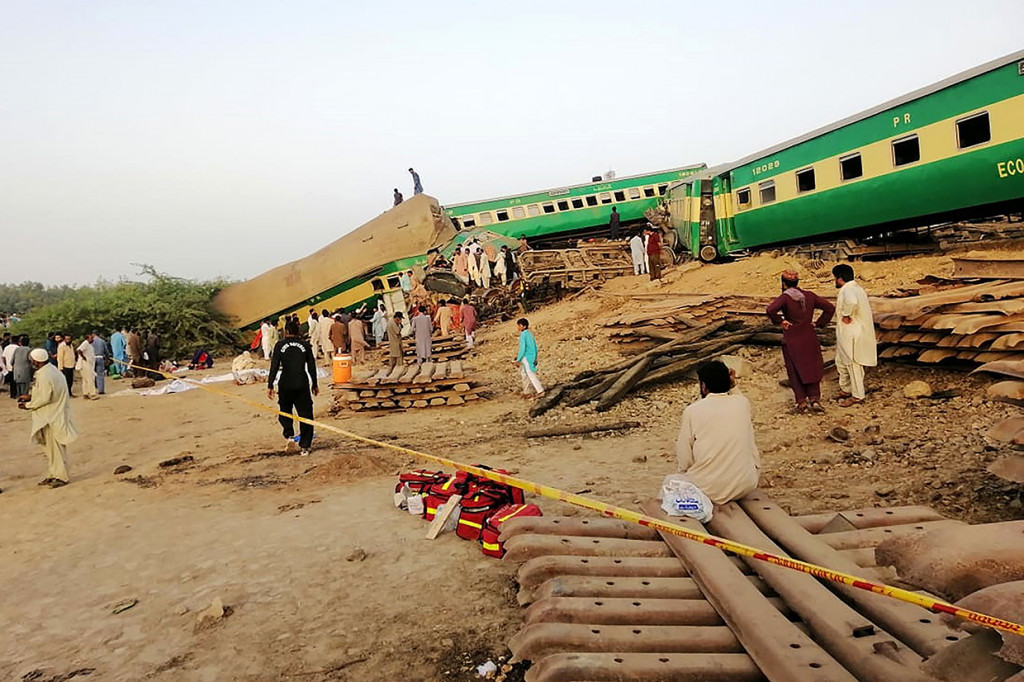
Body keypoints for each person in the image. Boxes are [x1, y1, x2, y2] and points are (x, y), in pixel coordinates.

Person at [672, 360, 761, 506]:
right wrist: (731, 383)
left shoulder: (693, 411)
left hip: (708, 489)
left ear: (704, 386)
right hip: (745, 484)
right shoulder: (742, 403)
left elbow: (684, 457)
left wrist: (687, 474)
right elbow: (737, 395)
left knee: (672, 482)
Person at [766, 270, 836, 413]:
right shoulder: (809, 296)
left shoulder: (785, 297)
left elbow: (770, 310)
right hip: (809, 336)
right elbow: (830, 307)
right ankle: (815, 399)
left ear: (784, 283)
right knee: (812, 367)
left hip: (792, 338)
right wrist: (819, 323)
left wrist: (781, 321)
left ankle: (801, 402)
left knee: (794, 369)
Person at [18, 348, 78, 488]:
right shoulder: (51, 370)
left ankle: (61, 476)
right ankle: (53, 474)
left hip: (51, 416)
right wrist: (30, 396)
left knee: (55, 448)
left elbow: (45, 397)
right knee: (49, 448)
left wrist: (28, 405)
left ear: (36, 361)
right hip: (51, 415)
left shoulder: (45, 375)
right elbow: (44, 393)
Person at [267, 320, 318, 456]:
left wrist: (270, 385)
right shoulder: (305, 345)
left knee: (285, 411)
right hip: (301, 382)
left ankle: (289, 435)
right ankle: (305, 446)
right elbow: (311, 366)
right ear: (298, 331)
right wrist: (315, 383)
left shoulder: (279, 345)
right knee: (306, 414)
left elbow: (274, 366)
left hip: (285, 383)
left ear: (286, 332)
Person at [833, 263, 877, 407]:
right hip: (849, 332)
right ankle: (846, 389)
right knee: (841, 361)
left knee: (853, 363)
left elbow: (851, 302)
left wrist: (846, 315)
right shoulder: (856, 288)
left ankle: (858, 395)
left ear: (839, 278)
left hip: (851, 331)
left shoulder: (849, 290)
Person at [515, 318, 544, 398]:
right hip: (531, 356)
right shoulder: (529, 334)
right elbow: (535, 346)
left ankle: (540, 390)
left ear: (524, 326)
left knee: (530, 374)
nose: (518, 327)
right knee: (524, 374)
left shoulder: (523, 335)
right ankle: (526, 392)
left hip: (526, 357)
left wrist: (518, 359)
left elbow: (522, 348)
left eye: (519, 326)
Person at [76, 333, 99, 399]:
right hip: (85, 363)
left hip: (88, 364)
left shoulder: (89, 345)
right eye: (91, 338)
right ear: (87, 338)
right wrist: (84, 357)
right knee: (90, 379)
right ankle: (92, 394)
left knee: (85, 379)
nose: (92, 339)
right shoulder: (85, 343)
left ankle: (85, 393)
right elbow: (79, 350)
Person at [3, 331, 18, 398]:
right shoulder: (17, 348)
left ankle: (12, 394)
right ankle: (16, 393)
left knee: (11, 381)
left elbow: (3, 357)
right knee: (15, 381)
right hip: (16, 366)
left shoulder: (7, 347)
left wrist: (5, 365)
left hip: (8, 366)